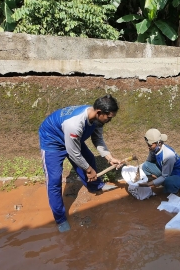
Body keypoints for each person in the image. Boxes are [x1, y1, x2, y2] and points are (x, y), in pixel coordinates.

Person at [39, 95, 122, 232]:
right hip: (52, 141)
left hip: (70, 138)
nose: (110, 120)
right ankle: (60, 219)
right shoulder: (75, 124)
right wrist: (89, 170)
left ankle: (95, 185)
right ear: (99, 112)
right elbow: (73, 153)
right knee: (54, 180)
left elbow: (97, 139)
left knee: (89, 158)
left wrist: (109, 157)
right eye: (109, 117)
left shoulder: (97, 119)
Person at [138, 129, 180, 194]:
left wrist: (148, 184)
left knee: (168, 181)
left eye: (150, 145)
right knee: (145, 166)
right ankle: (161, 182)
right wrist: (136, 168)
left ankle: (173, 191)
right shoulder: (153, 149)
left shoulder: (168, 156)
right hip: (166, 171)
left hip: (179, 177)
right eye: (147, 144)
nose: (148, 147)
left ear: (158, 143)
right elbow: (148, 161)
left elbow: (165, 176)